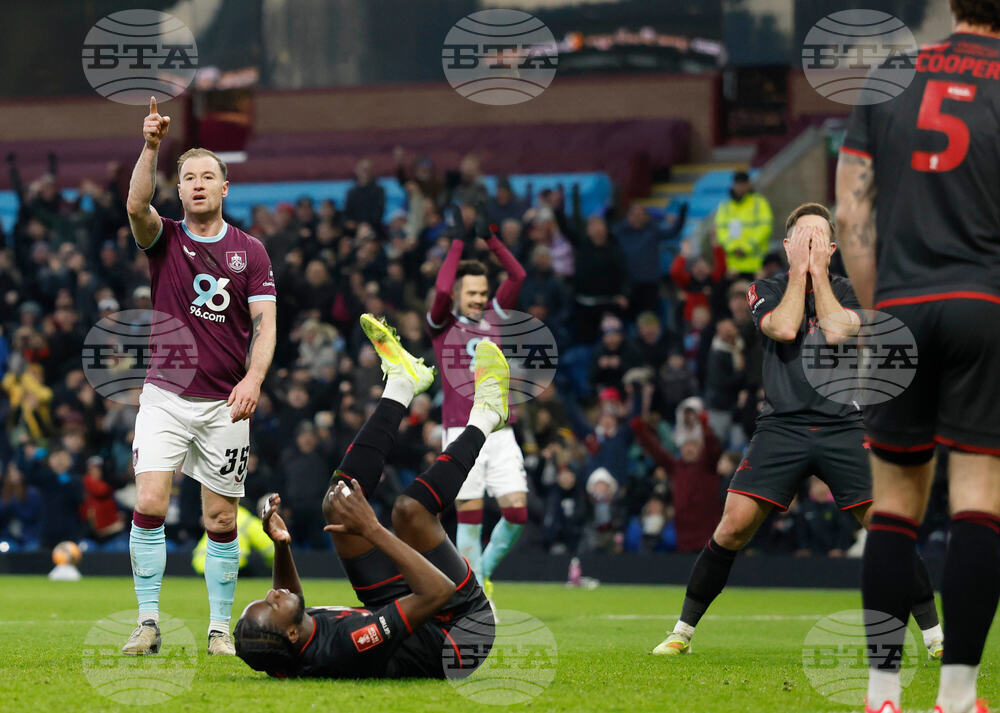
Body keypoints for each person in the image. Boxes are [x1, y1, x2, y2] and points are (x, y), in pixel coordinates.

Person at [650, 204, 943, 662]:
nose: (809, 245)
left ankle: (935, 638)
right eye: (801, 238)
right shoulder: (763, 289)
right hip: (781, 427)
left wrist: (819, 275)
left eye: (818, 239)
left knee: (888, 529)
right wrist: (799, 275)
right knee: (731, 528)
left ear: (831, 248)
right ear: (787, 247)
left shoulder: (850, 289)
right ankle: (681, 632)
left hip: (843, 424)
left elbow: (834, 331)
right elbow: (785, 327)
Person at [836, 4, 1000, 712]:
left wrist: (878, 315)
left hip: (900, 303)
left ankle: (880, 694)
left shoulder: (889, 75)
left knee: (895, 507)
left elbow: (848, 214)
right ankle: (958, 695)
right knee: (979, 502)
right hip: (983, 306)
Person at [233, 314, 507, 679]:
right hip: (459, 629)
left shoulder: (285, 646)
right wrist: (373, 529)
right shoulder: (348, 645)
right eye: (271, 604)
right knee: (410, 511)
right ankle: (488, 414)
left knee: (338, 501)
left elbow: (287, 599)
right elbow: (437, 592)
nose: (272, 593)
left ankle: (401, 384)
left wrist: (282, 545)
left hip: (405, 611)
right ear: (293, 633)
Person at [121, 98, 278, 656]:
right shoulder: (164, 239)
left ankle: (217, 631)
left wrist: (255, 379)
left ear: (224, 189)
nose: (197, 184)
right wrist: (151, 145)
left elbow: (265, 326)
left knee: (219, 517)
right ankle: (147, 623)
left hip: (224, 405)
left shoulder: (250, 252)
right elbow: (137, 202)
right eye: (188, 177)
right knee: (151, 502)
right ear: (181, 189)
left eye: (208, 176)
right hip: (164, 395)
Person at [426, 226, 527, 606]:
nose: (479, 299)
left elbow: (518, 275)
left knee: (516, 511)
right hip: (460, 431)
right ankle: (476, 597)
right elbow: (438, 292)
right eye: (471, 293)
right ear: (456, 294)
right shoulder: (442, 325)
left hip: (500, 431)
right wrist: (456, 242)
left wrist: (494, 240)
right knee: (469, 516)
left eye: (483, 293)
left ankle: (480, 573)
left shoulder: (497, 317)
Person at [714, 171, 773, 278]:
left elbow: (765, 228)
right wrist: (733, 247)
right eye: (738, 184)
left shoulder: (759, 203)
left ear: (748, 184)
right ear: (733, 185)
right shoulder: (725, 206)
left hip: (757, 266)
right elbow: (720, 231)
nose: (740, 187)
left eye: (743, 184)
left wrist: (746, 247)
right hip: (732, 266)